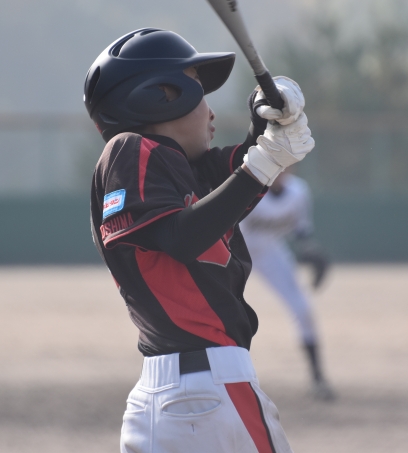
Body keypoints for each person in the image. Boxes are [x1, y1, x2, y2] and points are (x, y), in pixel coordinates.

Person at [86, 28, 315, 452]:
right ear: (161, 96)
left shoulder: (181, 168)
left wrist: (267, 114)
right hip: (208, 393)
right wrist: (265, 160)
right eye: (198, 91)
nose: (210, 113)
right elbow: (183, 236)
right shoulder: (130, 150)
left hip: (184, 397)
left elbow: (240, 172)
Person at [240, 171, 335, 401]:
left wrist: (309, 248)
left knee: (303, 309)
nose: (279, 170)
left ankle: (317, 379)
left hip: (270, 252)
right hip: (234, 251)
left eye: (284, 164)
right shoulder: (247, 186)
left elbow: (302, 229)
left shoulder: (298, 191)